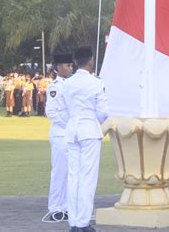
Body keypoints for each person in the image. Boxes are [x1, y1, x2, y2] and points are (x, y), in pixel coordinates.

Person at [59, 46, 107, 232]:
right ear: (90, 61)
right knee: (87, 178)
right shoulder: (95, 83)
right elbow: (103, 112)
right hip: (89, 130)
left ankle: (74, 223)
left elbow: (63, 110)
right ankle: (83, 222)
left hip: (72, 131)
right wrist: (91, 121)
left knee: (73, 177)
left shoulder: (67, 83)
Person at [43, 53, 74, 223]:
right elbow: (51, 112)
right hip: (61, 134)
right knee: (59, 172)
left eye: (71, 65)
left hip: (71, 134)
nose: (70, 68)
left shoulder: (72, 84)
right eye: (68, 65)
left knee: (71, 172)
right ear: (59, 67)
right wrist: (69, 125)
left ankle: (67, 207)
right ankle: (55, 207)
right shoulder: (55, 87)